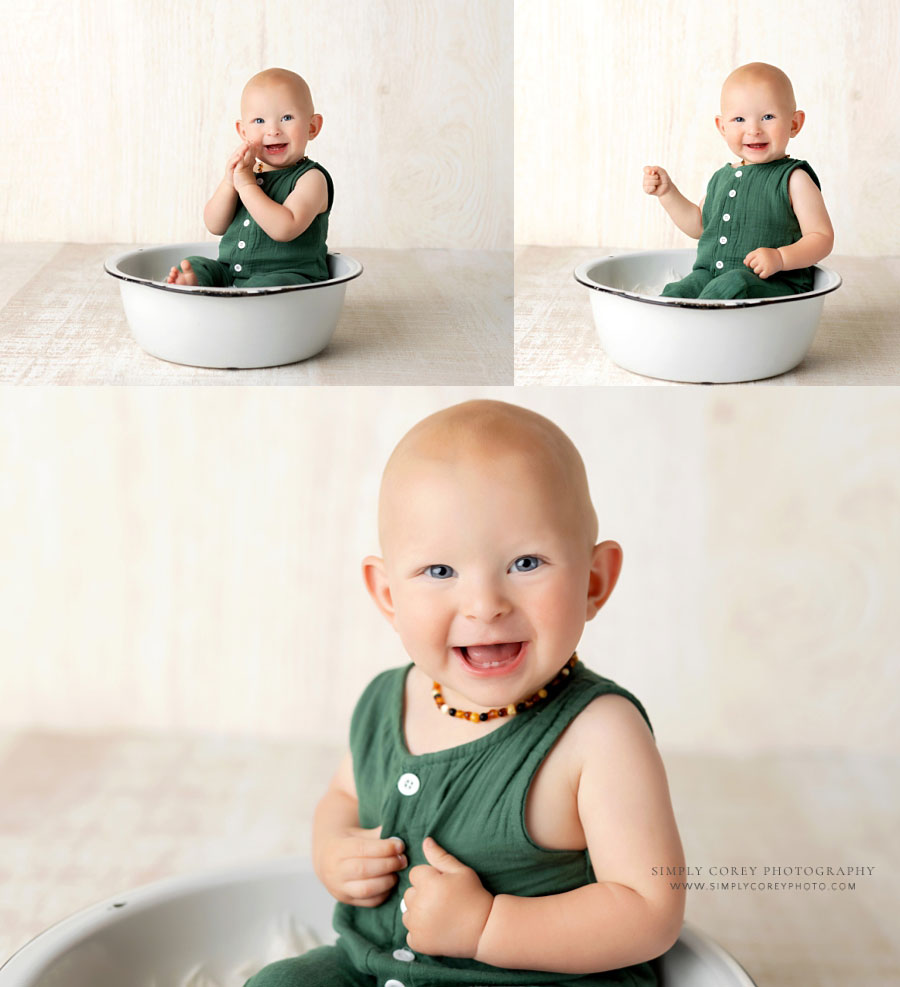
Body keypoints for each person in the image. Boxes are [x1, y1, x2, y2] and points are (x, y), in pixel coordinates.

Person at [247, 400, 685, 986]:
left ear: (594, 581)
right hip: (371, 969)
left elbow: (649, 911)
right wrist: (333, 850)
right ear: (386, 595)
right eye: (440, 572)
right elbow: (343, 798)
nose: (485, 604)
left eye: (526, 562)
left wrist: (488, 927)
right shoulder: (387, 701)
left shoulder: (599, 734)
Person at [643, 62, 834, 300]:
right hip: (710, 275)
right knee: (681, 290)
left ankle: (701, 329)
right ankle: (667, 324)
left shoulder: (794, 178)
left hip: (772, 283)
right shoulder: (721, 178)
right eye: (739, 119)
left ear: (794, 123)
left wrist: (781, 258)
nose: (753, 129)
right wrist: (667, 193)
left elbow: (822, 238)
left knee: (734, 284)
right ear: (722, 127)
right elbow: (699, 227)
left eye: (768, 116)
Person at [167, 68, 332, 288]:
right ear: (243, 132)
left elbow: (285, 227)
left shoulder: (311, 179)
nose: (272, 130)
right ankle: (192, 283)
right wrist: (229, 183)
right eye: (259, 120)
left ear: (312, 127)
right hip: (231, 271)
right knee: (196, 264)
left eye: (287, 117)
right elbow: (214, 225)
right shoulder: (245, 173)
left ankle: (241, 302)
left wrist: (245, 185)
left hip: (290, 275)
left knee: (275, 284)